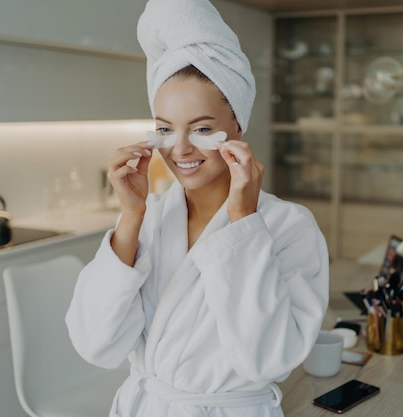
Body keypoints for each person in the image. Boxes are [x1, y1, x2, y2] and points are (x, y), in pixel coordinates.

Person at [65, 0, 329, 416]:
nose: (181, 148)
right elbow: (96, 345)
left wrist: (244, 224)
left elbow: (266, 360)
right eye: (165, 129)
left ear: (238, 124)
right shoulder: (147, 218)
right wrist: (131, 217)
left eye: (202, 128)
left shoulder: (288, 226)